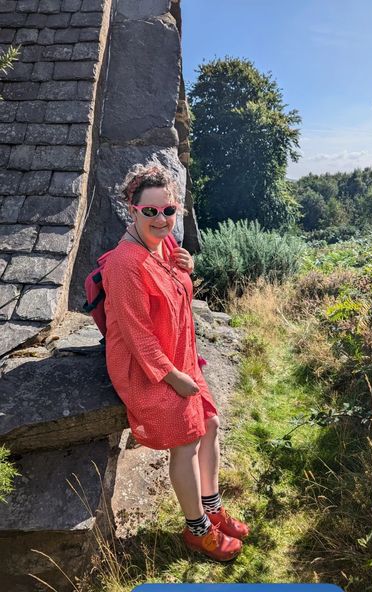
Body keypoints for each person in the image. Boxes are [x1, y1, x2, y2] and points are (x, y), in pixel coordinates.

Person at [102, 160, 249, 562]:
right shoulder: (123, 262)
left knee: (211, 422)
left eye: (168, 210)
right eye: (150, 211)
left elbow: (178, 294)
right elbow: (136, 335)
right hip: (146, 367)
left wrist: (188, 269)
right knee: (186, 440)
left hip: (178, 353)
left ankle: (213, 507)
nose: (161, 218)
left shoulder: (164, 245)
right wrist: (172, 377)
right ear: (133, 211)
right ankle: (197, 529)